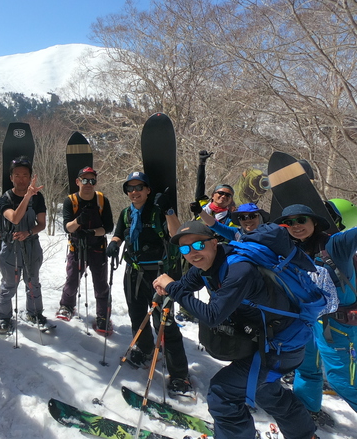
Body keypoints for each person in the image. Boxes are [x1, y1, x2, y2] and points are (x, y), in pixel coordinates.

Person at [152, 221, 318, 439]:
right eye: (185, 249)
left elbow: (213, 316)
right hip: (272, 343)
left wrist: (172, 287)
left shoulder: (239, 270)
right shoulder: (208, 265)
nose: (192, 252)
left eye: (198, 245)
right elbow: (184, 286)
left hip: (280, 348)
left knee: (223, 393)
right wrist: (168, 288)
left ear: (214, 242)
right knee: (265, 391)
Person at [105, 172, 191, 396]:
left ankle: (180, 375)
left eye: (139, 187)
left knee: (165, 323)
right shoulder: (126, 213)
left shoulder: (158, 210)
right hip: (133, 272)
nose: (134, 192)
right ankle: (144, 349)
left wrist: (169, 210)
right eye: (130, 188)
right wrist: (114, 243)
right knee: (136, 314)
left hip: (160, 275)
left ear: (148, 189)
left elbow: (176, 234)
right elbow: (117, 235)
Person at [274, 204, 357, 423]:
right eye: (289, 222)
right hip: (309, 322)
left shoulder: (335, 245)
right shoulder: (291, 250)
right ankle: (308, 409)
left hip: (338, 327)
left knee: (343, 382)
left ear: (315, 222)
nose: (296, 226)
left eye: (301, 220)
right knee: (306, 367)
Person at [57, 166, 114, 334]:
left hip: (97, 248)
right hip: (77, 248)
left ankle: (103, 316)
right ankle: (66, 306)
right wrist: (79, 222)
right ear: (77, 181)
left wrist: (93, 232)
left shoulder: (102, 200)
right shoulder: (71, 201)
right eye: (85, 180)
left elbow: (108, 227)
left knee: (101, 284)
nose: (88, 184)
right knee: (72, 279)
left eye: (92, 180)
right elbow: (68, 227)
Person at [0, 156, 47, 333]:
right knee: (10, 283)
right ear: (11, 178)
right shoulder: (5, 199)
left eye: (25, 175)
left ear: (30, 176)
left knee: (33, 281)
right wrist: (27, 196)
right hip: (10, 248)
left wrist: (29, 232)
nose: (21, 178)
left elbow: (41, 223)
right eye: (17, 175)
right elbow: (15, 217)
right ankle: (3, 317)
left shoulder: (38, 198)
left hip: (32, 245)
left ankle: (34, 313)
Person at [198, 202, 270, 242]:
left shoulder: (272, 231)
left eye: (252, 216)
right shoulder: (236, 234)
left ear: (260, 217)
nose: (248, 220)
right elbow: (214, 224)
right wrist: (199, 211)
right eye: (243, 218)